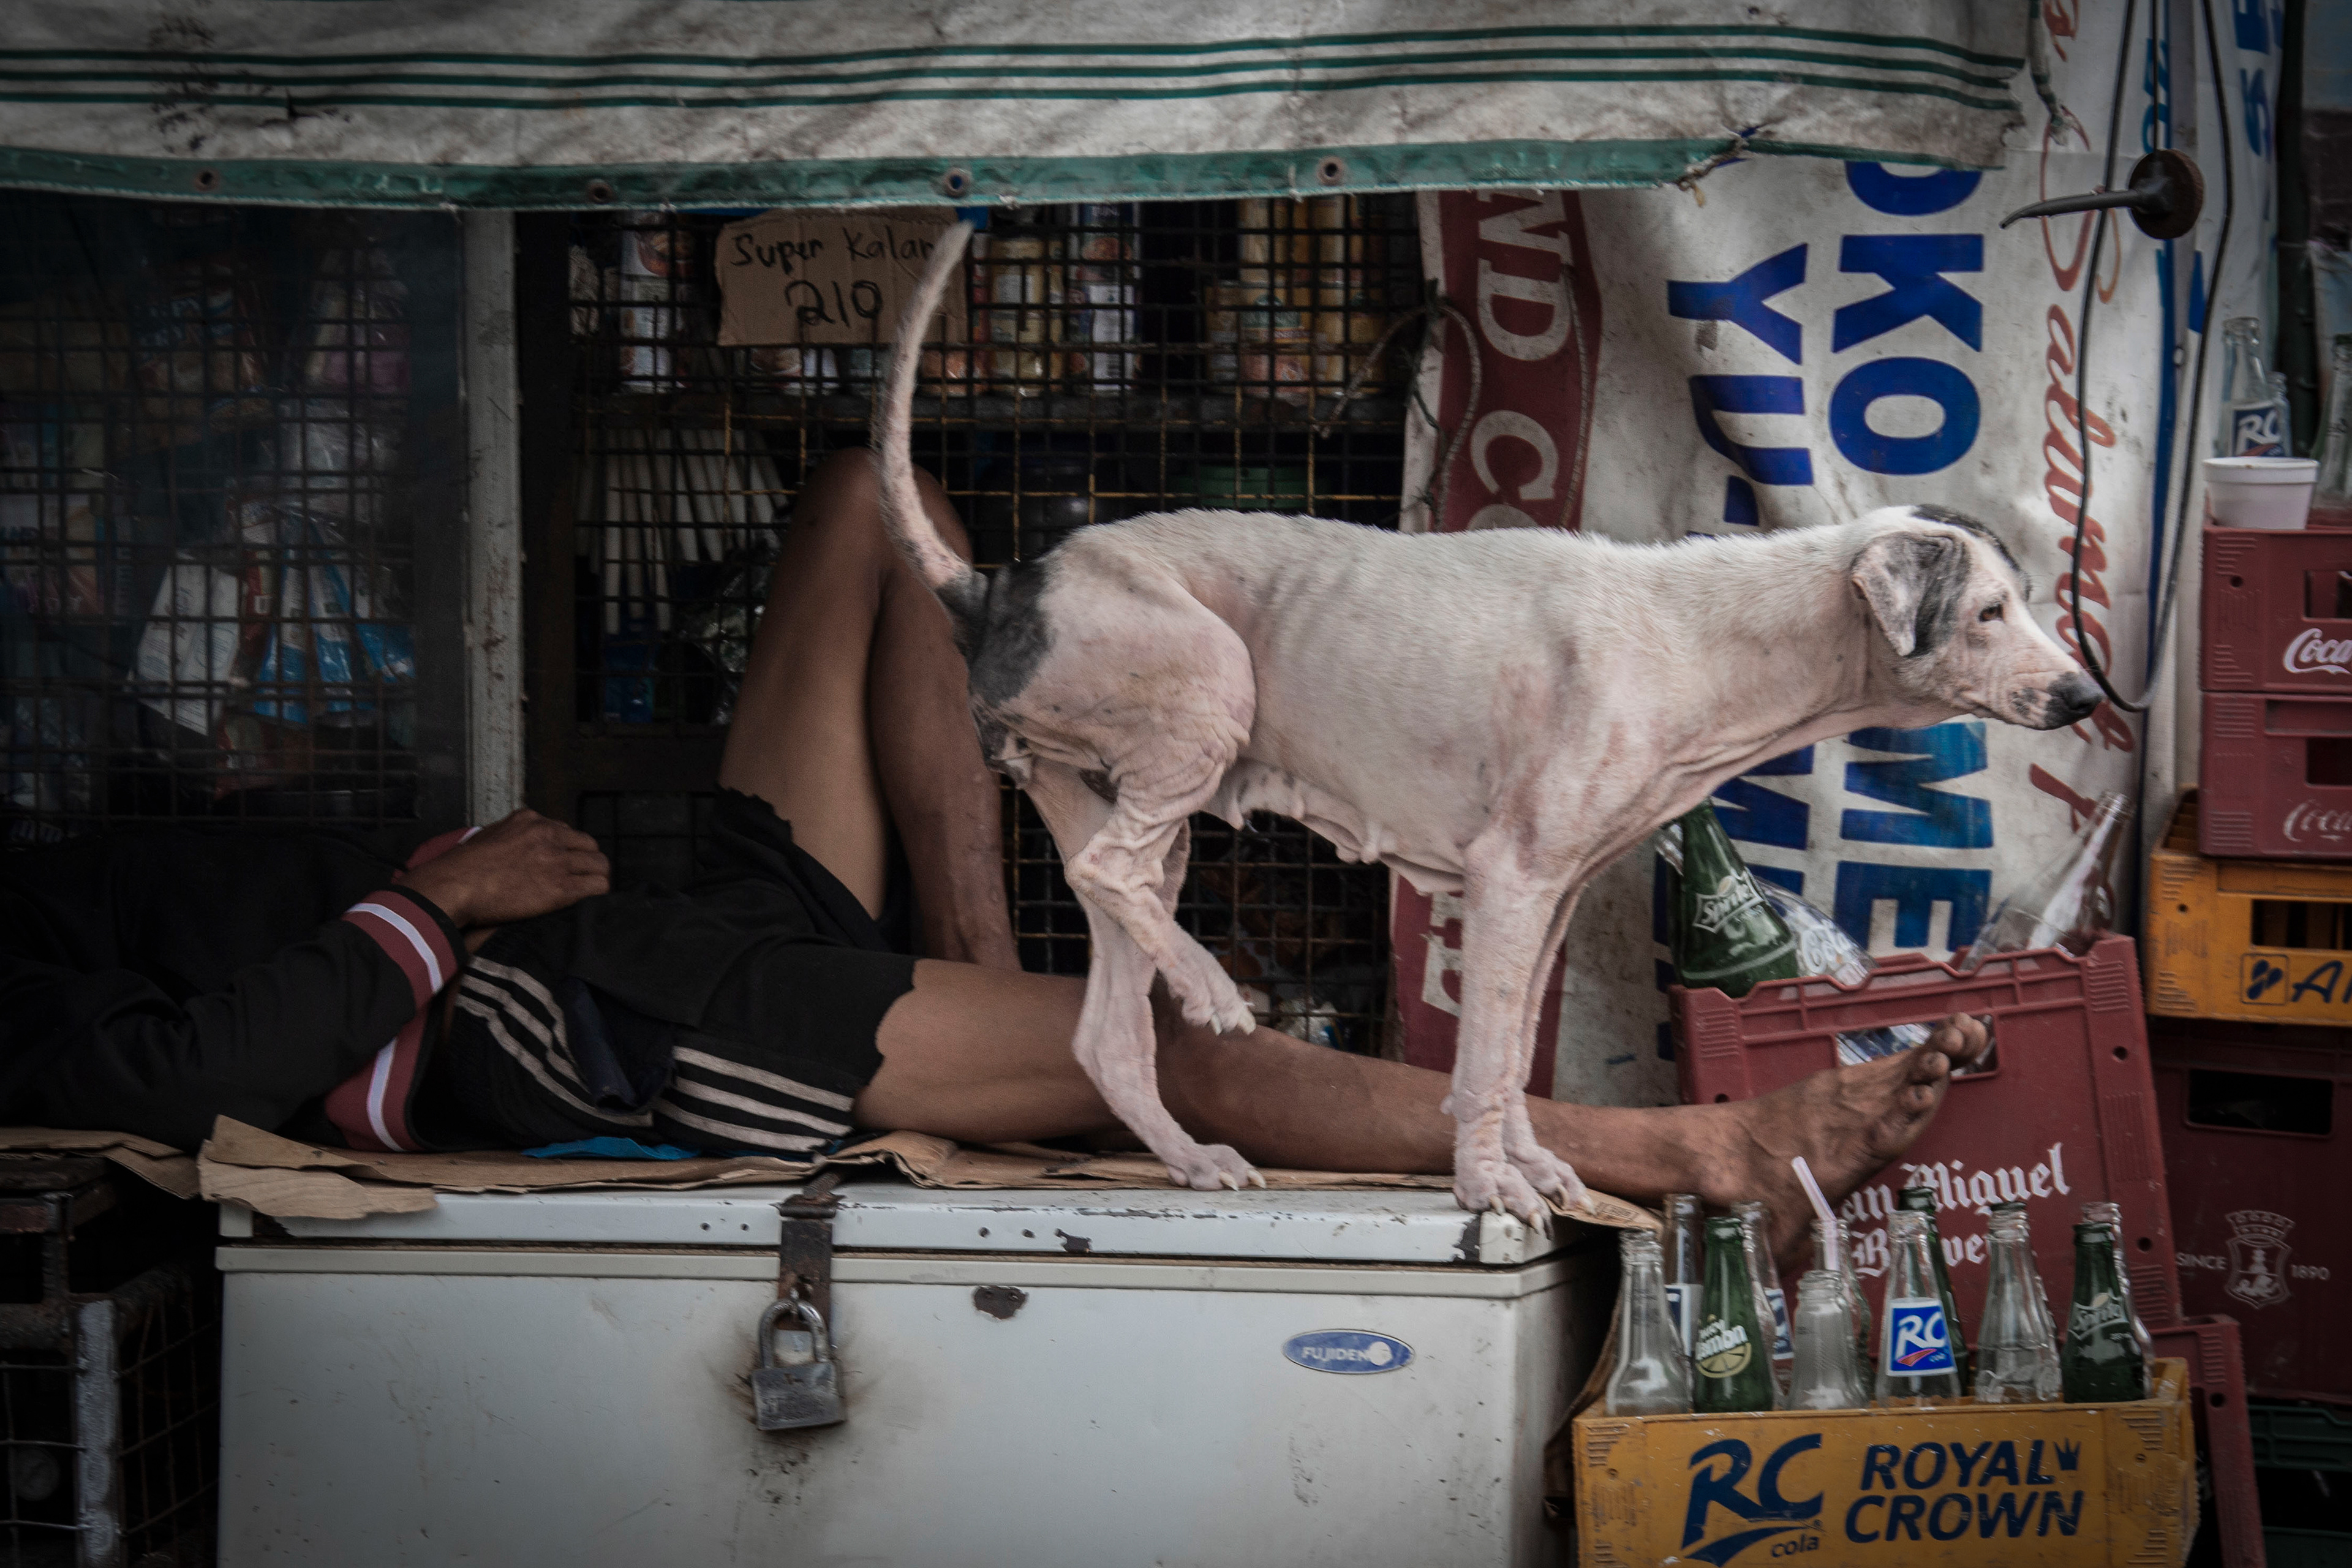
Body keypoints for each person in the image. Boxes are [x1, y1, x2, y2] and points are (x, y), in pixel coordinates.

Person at [0, 451, 1986, 1250]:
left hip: (656, 905)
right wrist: (427, 903)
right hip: (606, 1012)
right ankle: (1697, 1150)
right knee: (1179, 1065)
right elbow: (163, 1080)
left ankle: (1010, 964)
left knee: (873, 506)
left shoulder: (65, 848)